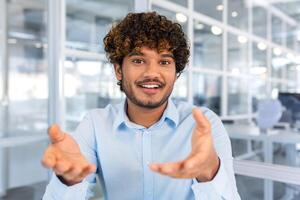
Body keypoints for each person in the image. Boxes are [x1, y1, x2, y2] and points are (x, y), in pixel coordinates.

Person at [42, 12, 240, 200]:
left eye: (164, 62)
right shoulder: (95, 124)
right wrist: (68, 180)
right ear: (119, 70)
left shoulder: (204, 124)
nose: (152, 73)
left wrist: (209, 172)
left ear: (175, 72)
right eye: (138, 60)